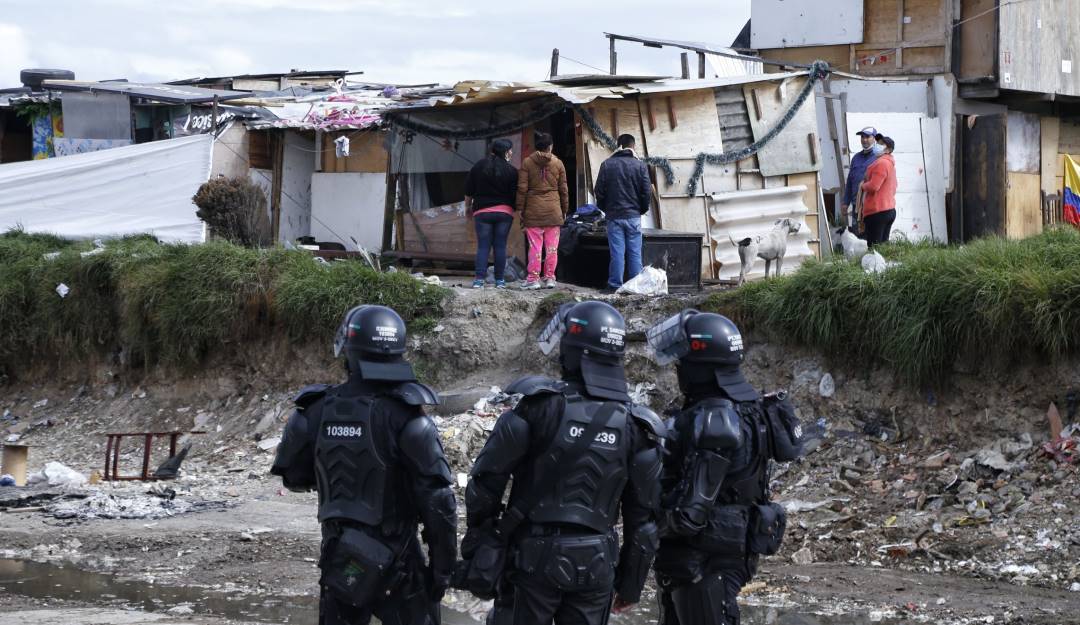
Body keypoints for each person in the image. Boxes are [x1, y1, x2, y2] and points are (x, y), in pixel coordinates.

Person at [457, 300, 665, 625]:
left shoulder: (538, 407)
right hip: (597, 563)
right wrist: (631, 585)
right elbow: (644, 523)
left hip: (530, 559)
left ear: (570, 350)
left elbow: (484, 485)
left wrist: (481, 545)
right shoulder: (636, 426)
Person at [270, 305, 456, 625]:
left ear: (349, 349)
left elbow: (294, 478)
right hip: (400, 558)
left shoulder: (313, 410)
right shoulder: (408, 416)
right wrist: (443, 570)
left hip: (341, 555)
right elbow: (439, 503)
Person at [645, 310, 804, 625]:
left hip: (706, 558)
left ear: (700, 366)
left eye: (683, 362)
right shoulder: (751, 409)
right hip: (720, 552)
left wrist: (645, 524)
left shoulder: (715, 420)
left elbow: (689, 515)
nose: (678, 369)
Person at [594, 134, 651, 293]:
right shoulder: (640, 165)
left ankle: (614, 285)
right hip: (633, 216)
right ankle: (636, 286)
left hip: (614, 216)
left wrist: (606, 209)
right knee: (635, 253)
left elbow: (599, 191)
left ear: (618, 146)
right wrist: (641, 209)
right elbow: (646, 192)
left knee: (617, 253)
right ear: (633, 146)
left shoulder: (607, 164)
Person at [517, 131, 569, 290]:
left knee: (535, 247)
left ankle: (533, 279)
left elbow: (522, 188)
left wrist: (520, 208)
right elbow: (563, 189)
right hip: (553, 210)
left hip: (533, 210)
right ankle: (550, 278)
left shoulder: (527, 162)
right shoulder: (558, 163)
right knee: (552, 248)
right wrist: (564, 209)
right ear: (550, 146)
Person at [465, 138, 518, 289]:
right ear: (506, 152)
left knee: (483, 246)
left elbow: (468, 190)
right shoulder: (512, 171)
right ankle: (499, 281)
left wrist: (468, 207)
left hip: (482, 212)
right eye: (510, 150)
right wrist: (515, 209)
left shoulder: (478, 166)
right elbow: (515, 194)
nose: (511, 152)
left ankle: (479, 280)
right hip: (504, 213)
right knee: (500, 246)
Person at [860, 135, 898, 247]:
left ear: (888, 150)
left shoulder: (881, 163)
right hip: (888, 209)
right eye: (877, 143)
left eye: (881, 144)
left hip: (878, 211)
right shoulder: (890, 163)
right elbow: (895, 185)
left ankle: (875, 259)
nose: (877, 146)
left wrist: (863, 186)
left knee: (874, 247)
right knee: (883, 246)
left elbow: (874, 186)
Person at [843, 127, 884, 230]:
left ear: (874, 138)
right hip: (856, 206)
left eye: (867, 137)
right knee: (857, 235)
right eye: (862, 137)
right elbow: (850, 181)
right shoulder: (856, 158)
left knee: (871, 236)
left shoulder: (879, 158)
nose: (864, 139)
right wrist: (845, 202)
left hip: (872, 206)